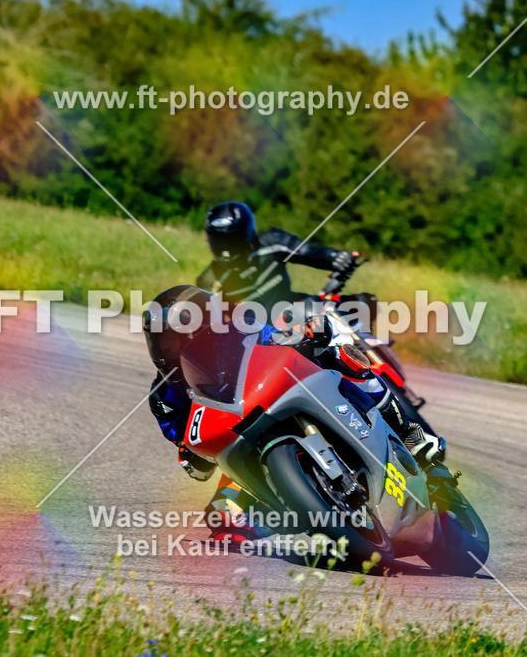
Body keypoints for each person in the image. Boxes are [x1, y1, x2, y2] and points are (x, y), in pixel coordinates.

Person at [144, 285, 444, 542]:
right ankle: (305, 511)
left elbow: (278, 337)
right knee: (221, 517)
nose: (176, 347)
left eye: (181, 336)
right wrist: (190, 453)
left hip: (283, 391)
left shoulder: (240, 328)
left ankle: (409, 433)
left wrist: (303, 333)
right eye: (166, 341)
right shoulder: (163, 398)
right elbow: (190, 449)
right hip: (245, 439)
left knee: (339, 355)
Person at [196, 201, 357, 309]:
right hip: (257, 343)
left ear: (247, 235)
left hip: (297, 310)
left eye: (231, 241)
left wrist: (336, 257)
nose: (226, 250)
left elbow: (310, 253)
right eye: (219, 242)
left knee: (359, 306)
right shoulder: (209, 281)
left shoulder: (273, 242)